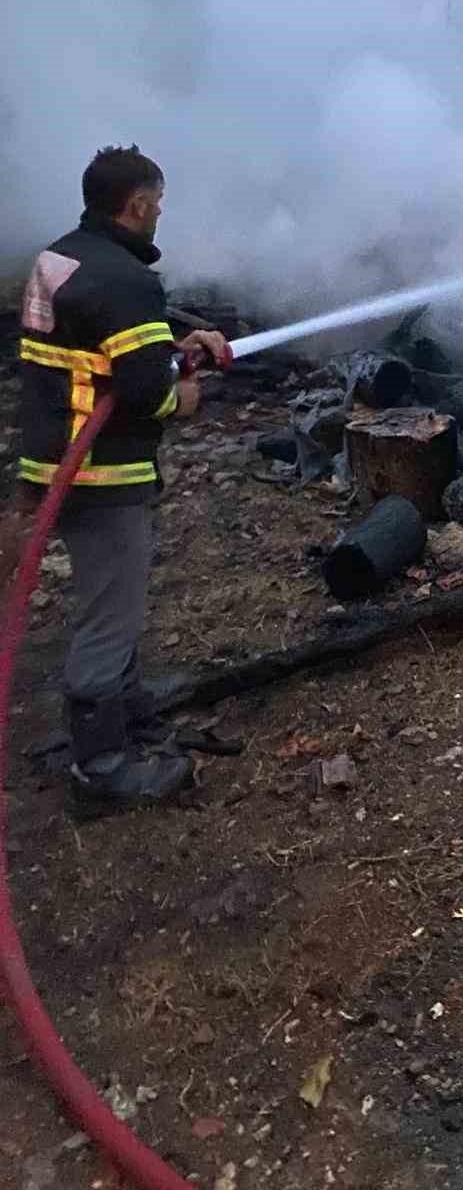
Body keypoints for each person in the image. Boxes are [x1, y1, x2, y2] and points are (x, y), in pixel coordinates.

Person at [13, 145, 227, 817]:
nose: (160, 212)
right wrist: (180, 397)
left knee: (108, 597)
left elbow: (104, 349)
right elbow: (142, 393)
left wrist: (176, 349)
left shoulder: (62, 258)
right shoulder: (127, 279)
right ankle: (100, 767)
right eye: (157, 202)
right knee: (112, 612)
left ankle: (127, 705)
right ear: (135, 205)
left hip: (54, 460)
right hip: (102, 472)